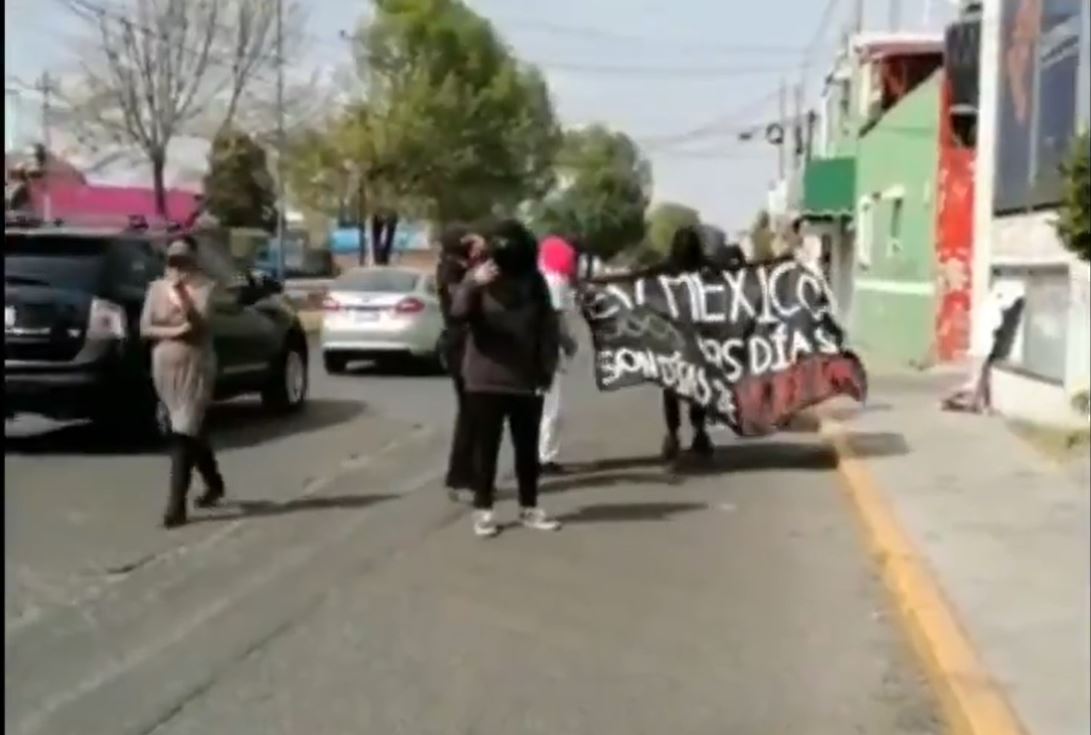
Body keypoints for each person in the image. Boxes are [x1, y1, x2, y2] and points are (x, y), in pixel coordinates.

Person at [451, 219, 562, 538]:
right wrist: (473, 282)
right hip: (484, 379)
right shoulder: (482, 277)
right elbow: (457, 315)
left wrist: (547, 368)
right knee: (485, 450)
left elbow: (547, 328)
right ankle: (484, 511)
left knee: (527, 450)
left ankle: (530, 507)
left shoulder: (535, 282)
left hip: (526, 379)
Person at [140, 237, 225, 528]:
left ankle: (175, 507)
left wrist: (183, 297)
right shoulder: (155, 289)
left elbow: (199, 327)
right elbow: (146, 327)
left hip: (195, 367)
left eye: (182, 260)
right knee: (188, 426)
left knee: (183, 431)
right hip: (164, 368)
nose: (176, 266)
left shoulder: (205, 289)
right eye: (172, 260)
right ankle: (214, 482)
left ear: (193, 261)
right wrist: (176, 330)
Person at [660, 226, 713, 460]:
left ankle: (672, 434)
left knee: (671, 388)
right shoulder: (708, 270)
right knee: (698, 387)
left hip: (671, 337)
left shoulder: (664, 271)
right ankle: (700, 432)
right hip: (700, 338)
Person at [435, 223, 479, 500]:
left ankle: (462, 474)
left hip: (461, 345)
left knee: (470, 413)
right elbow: (459, 305)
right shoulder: (453, 272)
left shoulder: (457, 267)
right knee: (472, 412)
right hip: (461, 346)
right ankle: (462, 475)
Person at [537, 236, 580, 475]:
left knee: (540, 406)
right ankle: (545, 457)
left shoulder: (539, 276)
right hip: (549, 351)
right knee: (552, 409)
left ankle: (538, 455)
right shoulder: (556, 281)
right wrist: (568, 342)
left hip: (533, 350)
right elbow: (555, 318)